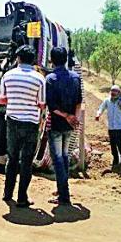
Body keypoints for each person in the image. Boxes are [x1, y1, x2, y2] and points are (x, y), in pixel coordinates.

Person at [0, 45, 46, 208]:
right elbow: (41, 104)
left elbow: (1, 100)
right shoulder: (39, 78)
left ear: (18, 58)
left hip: (12, 121)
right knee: (26, 161)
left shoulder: (7, 75)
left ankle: (7, 193)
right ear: (32, 60)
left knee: (12, 159)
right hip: (31, 123)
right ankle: (22, 198)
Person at [46, 47, 82, 206]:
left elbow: (51, 106)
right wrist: (74, 118)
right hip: (70, 125)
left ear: (52, 60)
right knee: (65, 156)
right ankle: (63, 190)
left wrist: (66, 116)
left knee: (58, 159)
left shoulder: (51, 79)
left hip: (57, 124)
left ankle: (64, 196)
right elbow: (79, 101)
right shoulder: (75, 77)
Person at [96, 85, 121, 166]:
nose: (113, 92)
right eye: (112, 91)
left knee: (119, 142)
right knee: (112, 143)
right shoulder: (107, 101)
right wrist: (98, 114)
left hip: (119, 126)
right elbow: (101, 108)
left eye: (115, 91)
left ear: (119, 92)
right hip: (111, 126)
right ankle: (115, 158)